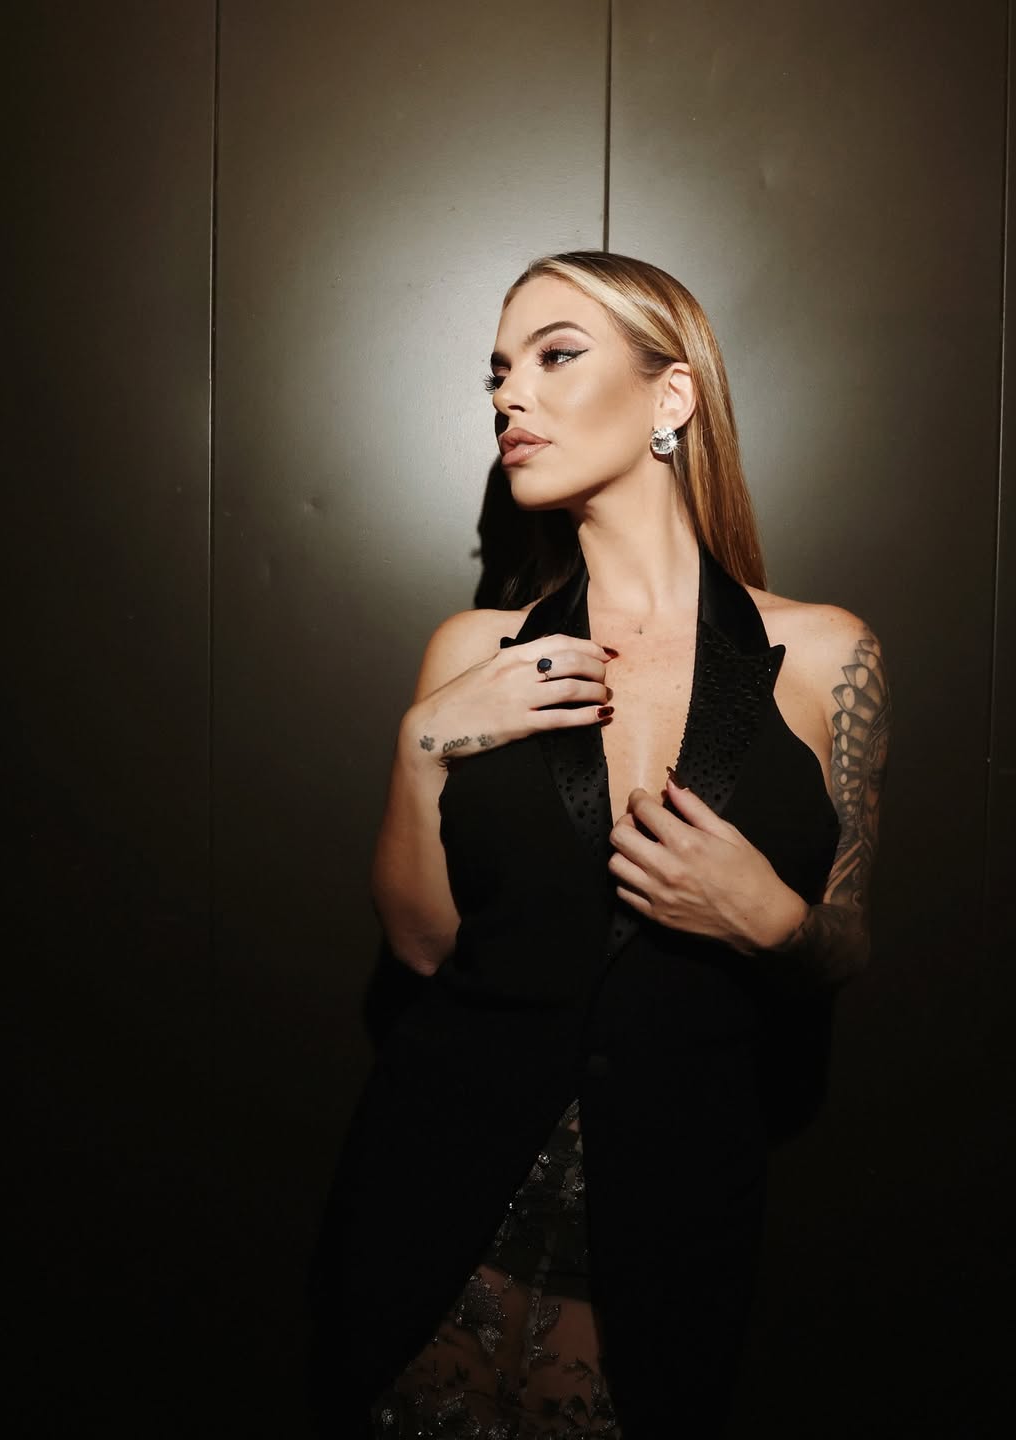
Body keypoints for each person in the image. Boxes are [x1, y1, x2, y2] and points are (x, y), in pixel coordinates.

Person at [307, 250, 891, 1437]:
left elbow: (846, 941)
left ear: (671, 395)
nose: (509, 396)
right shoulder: (472, 650)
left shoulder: (827, 657)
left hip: (668, 1231)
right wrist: (424, 745)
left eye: (555, 355)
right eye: (498, 372)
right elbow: (420, 949)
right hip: (433, 1198)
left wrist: (768, 916)